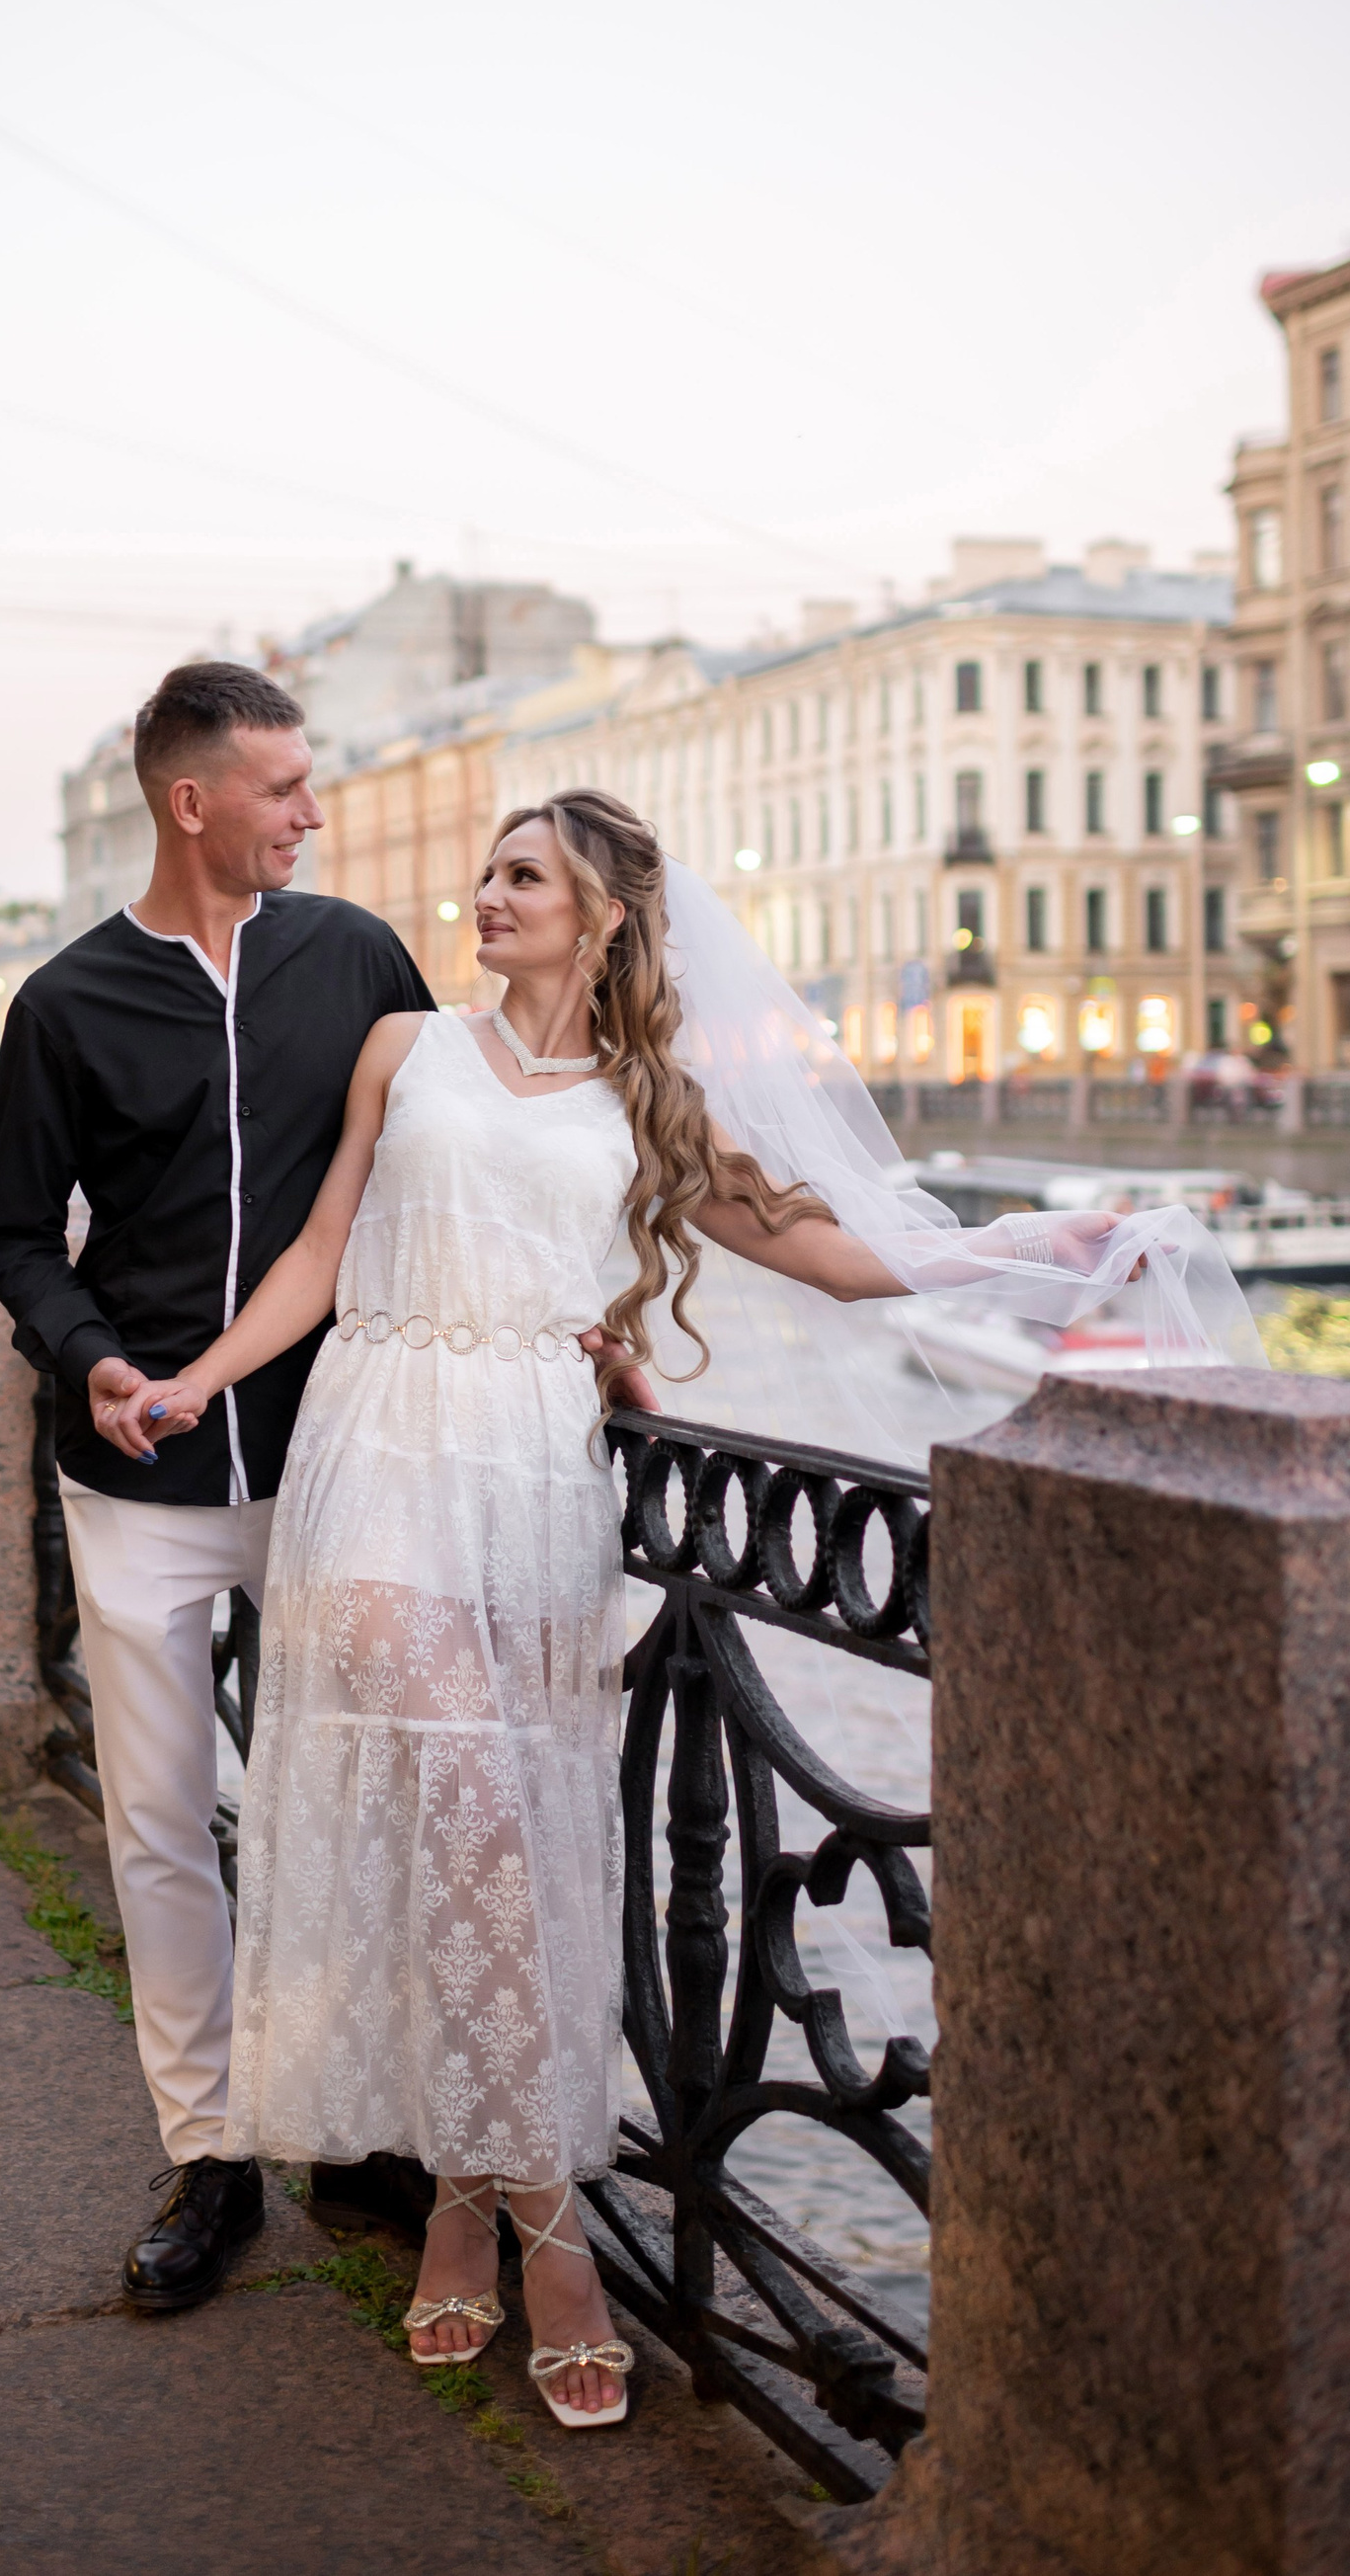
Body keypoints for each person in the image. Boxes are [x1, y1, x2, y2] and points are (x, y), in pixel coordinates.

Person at [104, 787, 1256, 2429]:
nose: (486, 894)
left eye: (524, 876)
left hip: (532, 1483)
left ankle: (463, 2199)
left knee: (495, 1850)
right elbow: (318, 1250)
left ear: (605, 918)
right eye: (488, 871)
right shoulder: (403, 1049)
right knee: (474, 1822)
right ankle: (559, 2242)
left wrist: (1050, 1244)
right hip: (377, 1458)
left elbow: (835, 1255)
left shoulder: (651, 1103)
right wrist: (198, 1378)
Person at [0, 659, 433, 2313]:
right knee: (163, 1821)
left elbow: (453, 1159)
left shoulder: (360, 957)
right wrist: (90, 1352)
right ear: (192, 800)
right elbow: (15, 1232)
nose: (313, 813)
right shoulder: (65, 1003)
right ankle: (212, 2155)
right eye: (284, 787)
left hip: (333, 1461)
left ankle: (356, 2128)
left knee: (350, 1806)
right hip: (138, 1473)